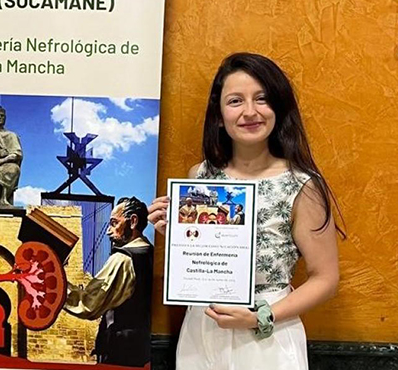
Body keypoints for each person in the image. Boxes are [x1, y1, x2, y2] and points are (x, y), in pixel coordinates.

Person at [148, 53, 344, 370]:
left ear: (278, 107)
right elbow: (201, 257)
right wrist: (176, 234)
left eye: (262, 99)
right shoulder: (201, 175)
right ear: (219, 114)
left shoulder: (301, 185)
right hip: (203, 330)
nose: (250, 111)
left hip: (268, 335)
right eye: (235, 101)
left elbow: (326, 278)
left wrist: (261, 317)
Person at [64, 197, 153, 367]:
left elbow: (88, 304)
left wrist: (56, 285)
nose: (108, 231)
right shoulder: (151, 253)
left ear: (133, 221)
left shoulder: (122, 259)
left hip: (120, 353)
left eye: (114, 223)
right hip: (143, 352)